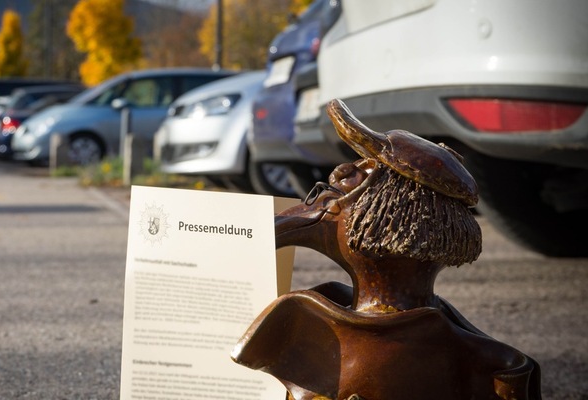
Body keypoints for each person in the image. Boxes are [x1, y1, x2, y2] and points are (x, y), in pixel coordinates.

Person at [231, 99, 541, 400]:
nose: (337, 180)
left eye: (353, 182)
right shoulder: (489, 360)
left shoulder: (490, 363)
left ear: (387, 216)